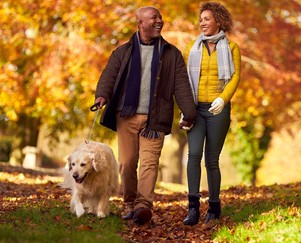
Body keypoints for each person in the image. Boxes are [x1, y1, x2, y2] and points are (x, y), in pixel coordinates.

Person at [94, 6, 197, 225]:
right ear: (140, 23)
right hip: (127, 115)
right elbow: (109, 75)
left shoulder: (172, 54)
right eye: (154, 18)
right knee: (127, 163)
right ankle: (129, 203)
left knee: (150, 164)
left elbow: (181, 85)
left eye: (161, 17)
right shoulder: (123, 52)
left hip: (156, 118)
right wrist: (101, 96)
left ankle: (143, 206)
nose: (160, 20)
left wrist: (189, 112)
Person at [182, 2, 241, 225]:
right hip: (196, 109)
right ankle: (193, 208)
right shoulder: (192, 48)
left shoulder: (232, 48)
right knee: (194, 154)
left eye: (207, 19)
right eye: (201, 19)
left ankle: (214, 207)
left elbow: (235, 77)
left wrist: (222, 98)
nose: (202, 23)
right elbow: (185, 81)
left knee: (212, 160)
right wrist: (186, 109)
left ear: (218, 20)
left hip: (218, 109)